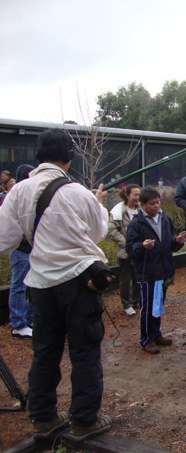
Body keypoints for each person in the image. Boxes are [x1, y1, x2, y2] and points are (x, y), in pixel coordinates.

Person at [0, 129, 113, 441]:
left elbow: (4, 239)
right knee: (84, 351)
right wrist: (98, 202)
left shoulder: (18, 191)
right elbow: (98, 231)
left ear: (38, 156)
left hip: (40, 283)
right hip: (78, 282)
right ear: (69, 157)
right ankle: (84, 420)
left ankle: (44, 417)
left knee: (45, 351)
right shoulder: (77, 192)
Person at [126, 187, 186, 354]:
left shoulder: (165, 218)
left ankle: (156, 334)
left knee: (158, 304)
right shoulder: (136, 224)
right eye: (152, 204)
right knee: (147, 306)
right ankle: (146, 339)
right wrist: (142, 246)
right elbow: (130, 248)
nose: (156, 206)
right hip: (147, 272)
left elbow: (169, 244)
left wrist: (178, 240)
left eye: (158, 202)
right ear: (143, 205)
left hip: (163, 270)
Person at [7, 164, 35, 339]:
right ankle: (18, 324)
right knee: (18, 287)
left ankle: (29, 319)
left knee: (31, 286)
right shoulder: (17, 197)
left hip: (30, 250)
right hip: (20, 249)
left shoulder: (27, 196)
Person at [107, 184, 141, 316]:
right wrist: (127, 243)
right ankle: (126, 304)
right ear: (127, 195)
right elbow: (111, 230)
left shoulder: (140, 210)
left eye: (139, 194)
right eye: (135, 194)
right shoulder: (117, 211)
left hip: (139, 249)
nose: (138, 197)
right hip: (125, 251)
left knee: (138, 276)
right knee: (125, 278)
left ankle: (136, 301)